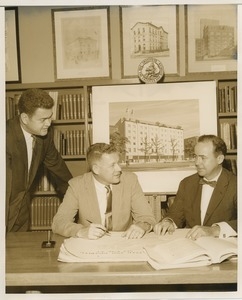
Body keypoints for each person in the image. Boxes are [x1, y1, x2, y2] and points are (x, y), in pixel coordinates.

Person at [52, 143, 156, 239]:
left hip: (123, 243)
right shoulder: (77, 185)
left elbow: (147, 217)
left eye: (118, 163)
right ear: (96, 169)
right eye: (112, 165)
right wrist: (81, 231)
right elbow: (58, 223)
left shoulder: (130, 181)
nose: (119, 169)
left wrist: (142, 225)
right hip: (90, 245)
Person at [6, 88, 73, 232]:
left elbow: (60, 172)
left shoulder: (44, 136)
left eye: (50, 117)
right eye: (43, 119)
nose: (49, 123)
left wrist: (78, 200)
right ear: (25, 118)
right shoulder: (5, 136)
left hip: (21, 213)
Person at [154, 134, 237, 240]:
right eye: (195, 156)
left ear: (219, 159)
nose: (197, 162)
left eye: (203, 158)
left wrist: (214, 230)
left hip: (224, 247)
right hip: (192, 246)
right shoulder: (187, 183)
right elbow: (175, 214)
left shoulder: (236, 184)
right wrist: (168, 221)